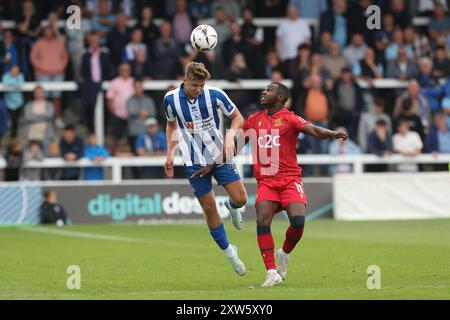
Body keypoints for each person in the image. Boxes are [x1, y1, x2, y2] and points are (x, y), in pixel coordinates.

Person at [192, 82, 347, 287]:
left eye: (270, 90)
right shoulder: (254, 121)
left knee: (298, 222)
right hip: (266, 182)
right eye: (264, 89)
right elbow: (236, 146)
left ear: (281, 98)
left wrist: (332, 133)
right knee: (262, 220)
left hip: (290, 179)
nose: (264, 92)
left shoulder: (290, 118)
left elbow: (313, 129)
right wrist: (212, 166)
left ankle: (283, 253)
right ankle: (271, 271)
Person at [164, 62, 247, 276]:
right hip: (193, 161)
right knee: (209, 208)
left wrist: (230, 136)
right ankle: (230, 252)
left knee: (241, 199)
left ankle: (233, 207)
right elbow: (171, 124)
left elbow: (238, 117)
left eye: (201, 85)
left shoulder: (215, 95)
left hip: (219, 156)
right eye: (194, 85)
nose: (198, 89)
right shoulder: (170, 99)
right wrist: (170, 153)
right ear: (185, 80)